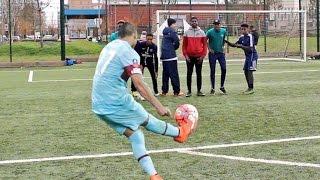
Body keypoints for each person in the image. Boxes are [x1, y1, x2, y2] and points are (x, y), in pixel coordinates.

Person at [92, 22, 193, 180]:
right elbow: (138, 84)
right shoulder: (128, 50)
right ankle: (180, 133)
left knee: (136, 136)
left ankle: (154, 176)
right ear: (134, 35)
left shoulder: (109, 46)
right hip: (115, 101)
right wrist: (159, 106)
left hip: (98, 105)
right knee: (148, 121)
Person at [225, 23, 258, 94]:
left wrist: (241, 46)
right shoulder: (241, 37)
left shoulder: (250, 37)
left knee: (249, 71)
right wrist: (226, 42)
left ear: (248, 29)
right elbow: (235, 44)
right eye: (242, 29)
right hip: (248, 57)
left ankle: (251, 88)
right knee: (245, 71)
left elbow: (251, 49)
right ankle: (249, 87)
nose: (243, 30)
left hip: (253, 56)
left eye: (245, 29)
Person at [182, 16, 207, 97]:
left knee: (199, 73)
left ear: (197, 22)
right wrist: (186, 55)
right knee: (189, 73)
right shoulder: (186, 32)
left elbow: (205, 45)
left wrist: (202, 56)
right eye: (193, 21)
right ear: (190, 22)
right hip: (189, 57)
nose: (194, 22)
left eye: (195, 21)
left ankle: (199, 91)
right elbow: (184, 46)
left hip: (199, 57)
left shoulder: (202, 32)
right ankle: (189, 91)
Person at [160, 18, 183, 96]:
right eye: (174, 24)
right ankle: (177, 91)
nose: (175, 25)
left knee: (165, 74)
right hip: (171, 56)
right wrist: (174, 48)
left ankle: (164, 91)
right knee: (174, 74)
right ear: (171, 24)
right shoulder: (172, 32)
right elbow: (176, 41)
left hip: (164, 56)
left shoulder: (165, 32)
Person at [206, 19, 227, 95]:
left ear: (220, 24)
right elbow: (205, 41)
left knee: (224, 69)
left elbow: (224, 40)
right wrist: (209, 48)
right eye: (215, 24)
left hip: (220, 53)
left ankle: (222, 86)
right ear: (213, 25)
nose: (216, 25)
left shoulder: (223, 31)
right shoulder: (209, 32)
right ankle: (213, 88)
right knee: (212, 70)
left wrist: (224, 47)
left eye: (218, 24)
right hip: (213, 54)